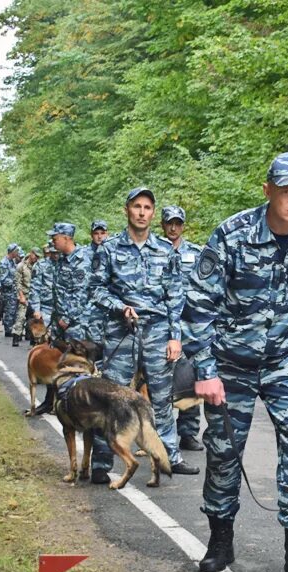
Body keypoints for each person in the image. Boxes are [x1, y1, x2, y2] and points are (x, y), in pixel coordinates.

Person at [182, 152, 288, 572]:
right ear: (268, 189)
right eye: (287, 190)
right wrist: (206, 370)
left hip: (286, 366)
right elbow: (199, 307)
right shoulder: (232, 235)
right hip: (229, 366)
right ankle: (220, 538)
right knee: (223, 453)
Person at [91, 187, 197, 483]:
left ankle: (170, 457)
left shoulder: (165, 250)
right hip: (121, 330)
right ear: (127, 210)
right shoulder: (109, 249)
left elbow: (175, 296)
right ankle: (101, 462)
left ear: (153, 213)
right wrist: (118, 306)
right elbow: (96, 290)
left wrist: (175, 337)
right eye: (136, 206)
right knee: (112, 397)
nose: (141, 212)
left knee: (162, 397)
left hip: (157, 331)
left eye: (147, 207)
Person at [161, 204, 205, 453]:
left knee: (189, 380)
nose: (173, 227)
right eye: (169, 223)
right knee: (159, 381)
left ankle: (188, 433)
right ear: (163, 225)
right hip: (162, 326)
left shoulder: (196, 254)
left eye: (178, 223)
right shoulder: (153, 252)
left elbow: (206, 289)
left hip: (190, 328)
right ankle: (158, 433)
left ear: (183, 225)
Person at [39, 223, 89, 342]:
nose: (52, 241)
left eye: (55, 238)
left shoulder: (80, 261)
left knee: (72, 359)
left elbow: (81, 294)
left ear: (66, 238)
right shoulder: (61, 259)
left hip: (73, 324)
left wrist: (67, 319)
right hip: (58, 320)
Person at [76, 219, 109, 347]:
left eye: (102, 233)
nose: (100, 236)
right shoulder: (83, 254)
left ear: (107, 234)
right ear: (91, 235)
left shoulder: (112, 252)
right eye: (96, 233)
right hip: (87, 308)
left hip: (106, 307)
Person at [12, 249, 38, 346]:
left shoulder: (37, 266)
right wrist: (21, 296)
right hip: (24, 294)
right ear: (31, 254)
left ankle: (31, 337)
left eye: (38, 256)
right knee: (21, 317)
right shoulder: (21, 266)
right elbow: (17, 283)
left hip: (34, 295)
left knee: (33, 318)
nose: (36, 258)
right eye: (35, 255)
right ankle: (16, 337)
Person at [28, 244, 57, 328]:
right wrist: (36, 309)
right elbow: (35, 289)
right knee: (43, 336)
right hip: (45, 307)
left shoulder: (65, 263)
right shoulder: (40, 265)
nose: (56, 255)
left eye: (57, 252)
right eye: (53, 252)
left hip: (62, 309)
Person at [0, 244, 22, 337]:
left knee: (14, 311)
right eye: (17, 251)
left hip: (14, 291)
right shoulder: (4, 263)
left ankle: (12, 328)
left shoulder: (12, 262)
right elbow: (3, 279)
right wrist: (15, 282)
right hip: (8, 292)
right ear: (12, 252)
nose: (18, 253)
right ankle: (8, 330)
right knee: (9, 311)